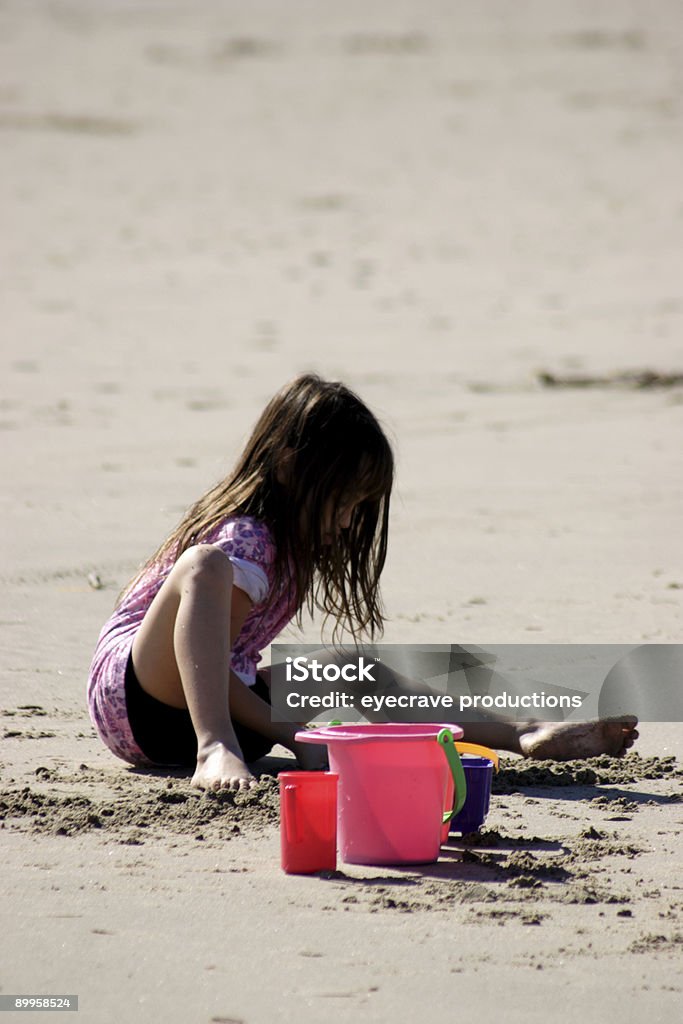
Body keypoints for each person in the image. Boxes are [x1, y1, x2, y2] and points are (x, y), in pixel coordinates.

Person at [87, 373, 638, 792]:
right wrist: (292, 735)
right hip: (146, 701)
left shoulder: (289, 550)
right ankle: (213, 750)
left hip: (223, 703)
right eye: (343, 502)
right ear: (288, 466)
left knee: (356, 667)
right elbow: (206, 666)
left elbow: (233, 672)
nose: (350, 522)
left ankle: (521, 731)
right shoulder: (244, 539)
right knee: (204, 566)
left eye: (359, 507)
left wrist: (292, 731)